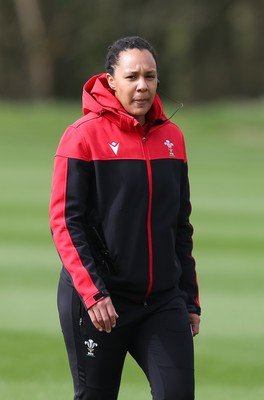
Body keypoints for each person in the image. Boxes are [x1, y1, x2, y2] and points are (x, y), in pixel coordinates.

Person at [49, 36, 201, 400]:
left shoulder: (172, 138)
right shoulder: (81, 137)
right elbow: (66, 222)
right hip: (102, 303)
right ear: (111, 80)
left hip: (162, 302)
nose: (143, 86)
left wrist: (189, 299)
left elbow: (179, 224)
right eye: (132, 77)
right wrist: (93, 293)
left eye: (150, 76)